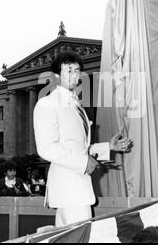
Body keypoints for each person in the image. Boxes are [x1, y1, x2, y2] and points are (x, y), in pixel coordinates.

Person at [33, 51, 133, 227]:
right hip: (69, 189)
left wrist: (108, 147)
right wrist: (83, 162)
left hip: (78, 189)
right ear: (56, 76)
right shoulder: (47, 103)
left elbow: (79, 148)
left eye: (77, 71)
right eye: (69, 70)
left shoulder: (76, 104)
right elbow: (46, 148)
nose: (74, 75)